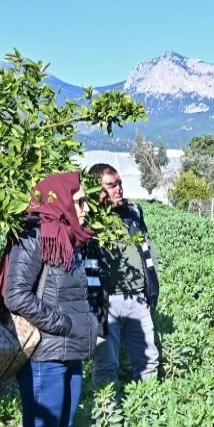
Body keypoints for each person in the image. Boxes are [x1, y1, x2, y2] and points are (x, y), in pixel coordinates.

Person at [0, 172, 103, 427]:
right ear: (61, 200)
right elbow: (16, 295)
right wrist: (63, 324)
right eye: (80, 200)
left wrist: (86, 330)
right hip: (45, 358)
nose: (85, 208)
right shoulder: (36, 237)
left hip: (70, 354)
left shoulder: (72, 238)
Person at [86, 163, 160, 385]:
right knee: (106, 365)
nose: (119, 188)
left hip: (138, 299)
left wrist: (150, 288)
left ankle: (148, 403)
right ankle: (105, 406)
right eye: (111, 185)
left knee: (149, 361)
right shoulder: (88, 220)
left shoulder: (133, 213)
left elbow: (146, 250)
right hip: (106, 302)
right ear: (96, 190)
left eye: (119, 183)